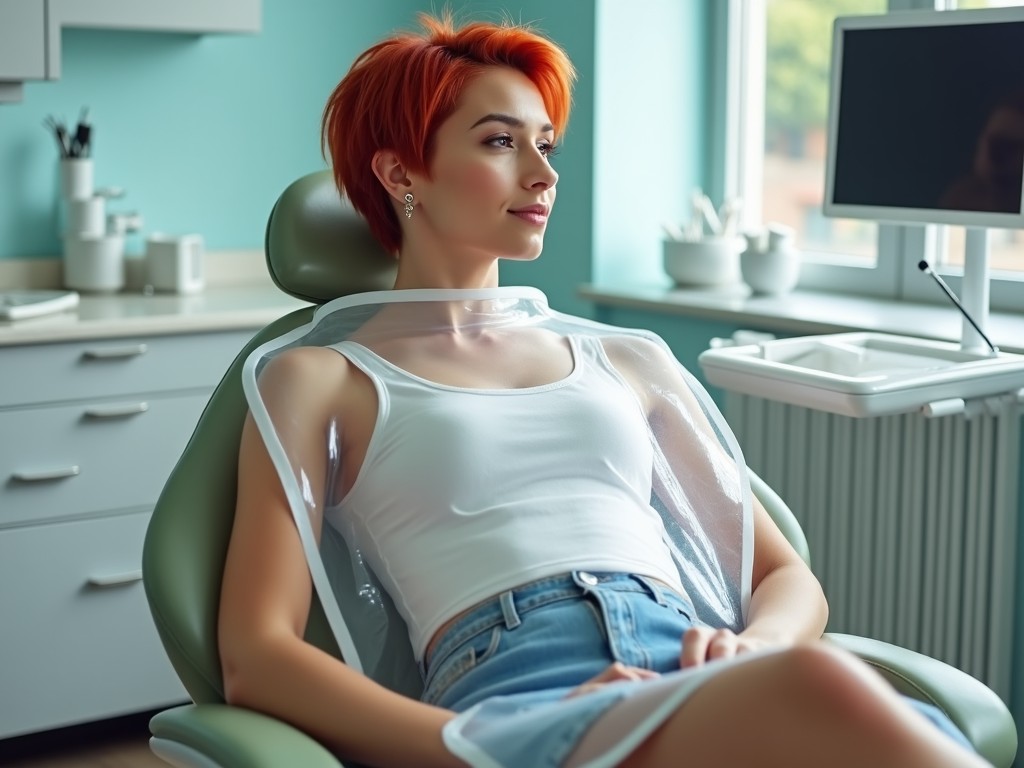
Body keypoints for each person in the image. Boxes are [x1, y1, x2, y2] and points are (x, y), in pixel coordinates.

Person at [218, 12, 989, 768]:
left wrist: (748, 652)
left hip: (695, 664)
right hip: (520, 694)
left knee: (829, 693)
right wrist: (461, 747)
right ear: (398, 173)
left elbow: (785, 578)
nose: (544, 173)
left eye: (545, 144)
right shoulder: (316, 378)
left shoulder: (625, 359)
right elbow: (256, 653)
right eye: (500, 141)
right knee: (822, 686)